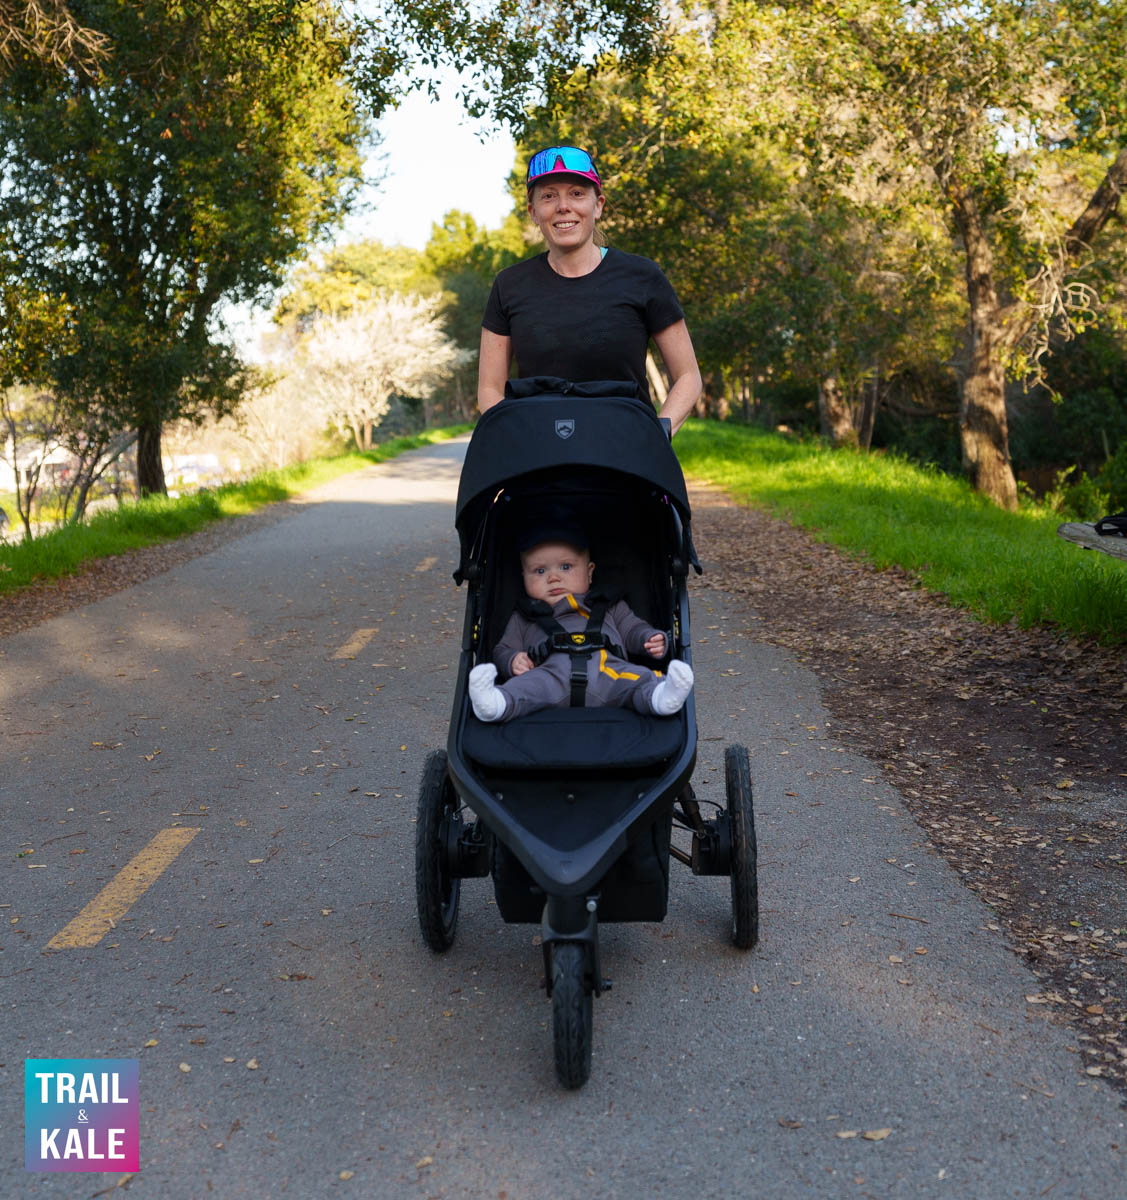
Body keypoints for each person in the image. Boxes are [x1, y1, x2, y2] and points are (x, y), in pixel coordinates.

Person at [478, 145, 703, 432]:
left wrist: (657, 434)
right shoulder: (508, 285)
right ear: (533, 212)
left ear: (597, 205)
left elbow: (688, 376)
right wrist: (519, 440)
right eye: (548, 196)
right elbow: (488, 390)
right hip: (537, 462)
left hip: (627, 458)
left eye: (576, 193)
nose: (563, 206)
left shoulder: (643, 276)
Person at [468, 520, 694, 723]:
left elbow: (632, 628)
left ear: (589, 572)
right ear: (523, 577)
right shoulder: (526, 615)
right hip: (548, 675)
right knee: (522, 689)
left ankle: (662, 698)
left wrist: (650, 638)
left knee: (640, 680)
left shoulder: (607, 605)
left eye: (566, 567)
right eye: (539, 571)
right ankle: (494, 705)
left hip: (608, 672)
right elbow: (503, 648)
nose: (553, 577)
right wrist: (512, 660)